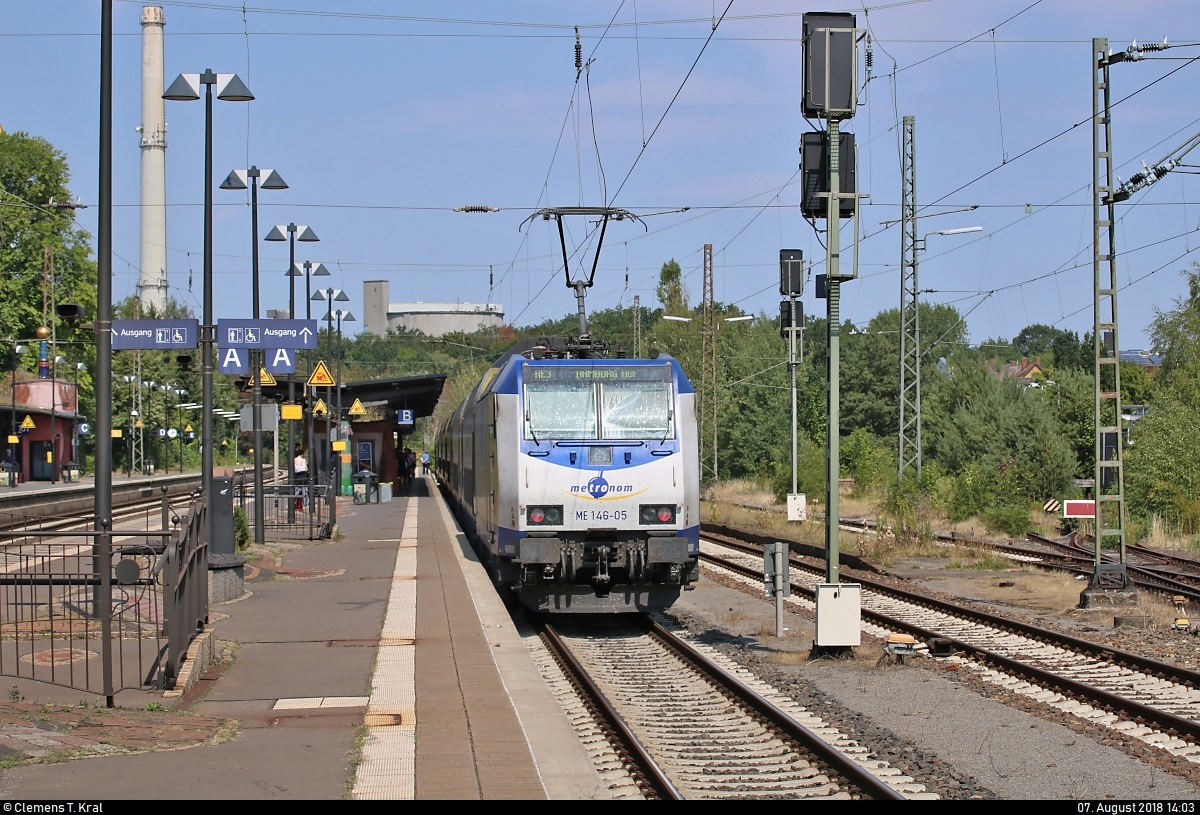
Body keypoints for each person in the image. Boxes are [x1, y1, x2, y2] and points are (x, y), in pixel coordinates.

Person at [293, 444, 309, 510]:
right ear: (301, 454)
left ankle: (294, 502)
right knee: (305, 491)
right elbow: (306, 469)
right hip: (303, 476)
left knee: (296, 491)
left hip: (297, 477)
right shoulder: (303, 460)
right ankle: (305, 504)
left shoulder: (294, 460)